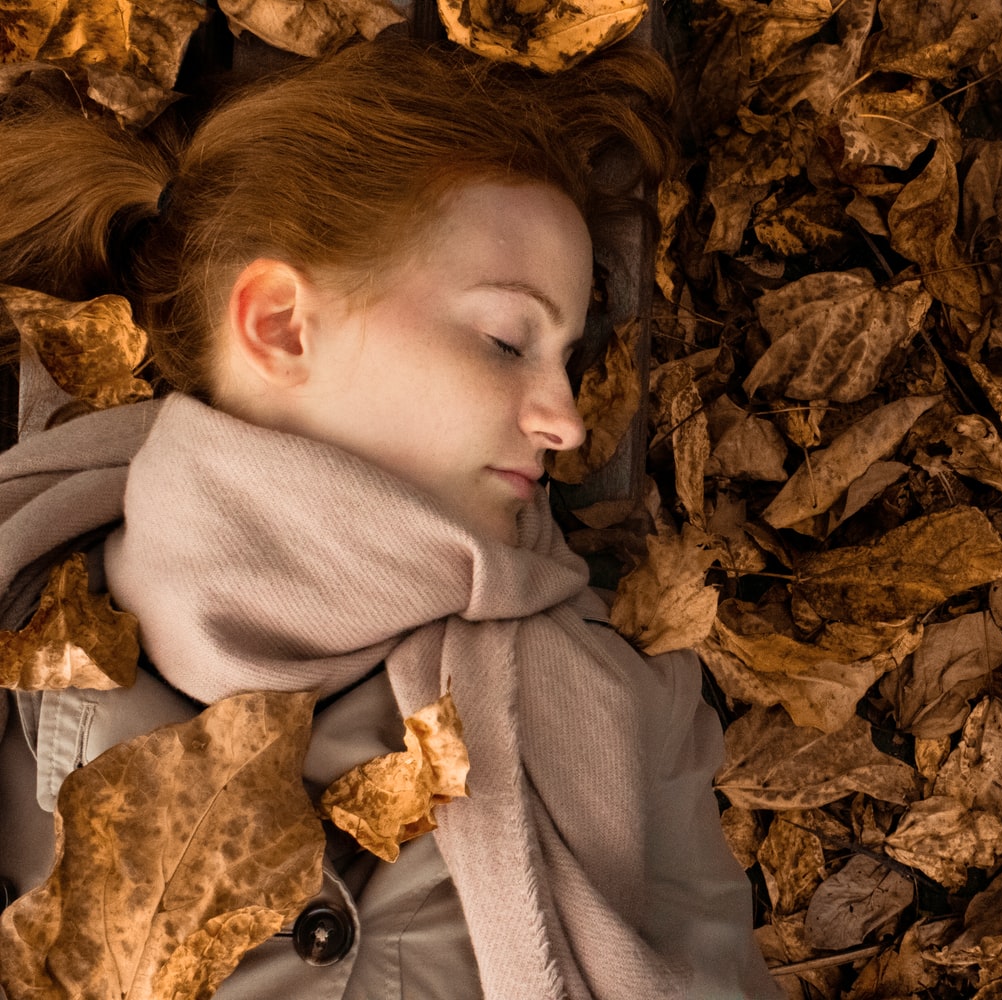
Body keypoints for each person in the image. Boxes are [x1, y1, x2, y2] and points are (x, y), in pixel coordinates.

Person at [0, 37, 781, 1000]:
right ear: (281, 327)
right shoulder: (15, 657)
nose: (567, 422)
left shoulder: (631, 717)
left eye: (567, 361)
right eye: (507, 339)